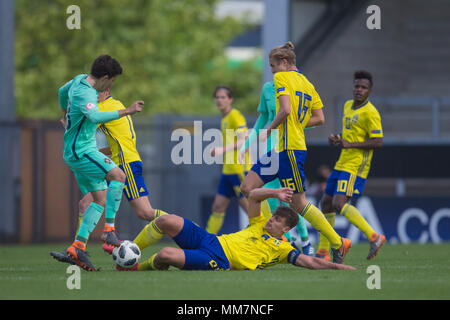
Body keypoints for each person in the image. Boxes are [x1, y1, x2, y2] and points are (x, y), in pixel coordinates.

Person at [239, 42, 351, 264]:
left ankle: (338, 242)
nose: (271, 71)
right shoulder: (308, 85)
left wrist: (271, 129)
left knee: (298, 204)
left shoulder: (281, 78)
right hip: (281, 149)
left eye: (272, 66)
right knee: (247, 187)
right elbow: (320, 118)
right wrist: (296, 124)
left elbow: (286, 110)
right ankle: (261, 236)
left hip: (290, 149)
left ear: (284, 62)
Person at [121, 187, 355, 271]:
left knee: (164, 255)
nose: (270, 220)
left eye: (276, 220)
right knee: (167, 220)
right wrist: (275, 193)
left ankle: (137, 267)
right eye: (272, 216)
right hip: (212, 240)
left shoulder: (282, 250)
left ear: (285, 230)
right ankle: (132, 249)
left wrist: (339, 266)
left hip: (218, 259)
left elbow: (311, 262)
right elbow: (251, 195)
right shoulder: (258, 223)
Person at [51, 86, 159, 265]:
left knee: (145, 212)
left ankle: (179, 226)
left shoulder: (104, 108)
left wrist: (69, 123)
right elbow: (115, 142)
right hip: (115, 162)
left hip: (125, 164)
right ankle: (77, 249)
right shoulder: (115, 104)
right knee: (86, 203)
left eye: (96, 92)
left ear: (106, 90)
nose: (92, 96)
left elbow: (83, 129)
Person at [56, 55, 143, 271]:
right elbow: (94, 117)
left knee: (100, 199)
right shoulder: (86, 91)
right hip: (81, 151)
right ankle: (109, 230)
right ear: (105, 77)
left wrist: (65, 115)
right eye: (111, 81)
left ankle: (78, 246)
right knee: (118, 176)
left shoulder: (78, 80)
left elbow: (61, 92)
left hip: (79, 150)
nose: (111, 86)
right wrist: (127, 111)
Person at [316, 70, 385, 261]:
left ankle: (374, 237)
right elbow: (350, 135)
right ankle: (323, 252)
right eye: (357, 86)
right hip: (342, 162)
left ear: (369, 91)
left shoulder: (370, 112)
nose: (359, 90)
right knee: (326, 204)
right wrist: (337, 138)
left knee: (339, 203)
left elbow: (378, 141)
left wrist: (351, 144)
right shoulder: (347, 106)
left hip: (356, 165)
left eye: (363, 87)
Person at [239, 80, 314, 256]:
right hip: (270, 152)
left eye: (276, 64)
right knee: (271, 197)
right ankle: (288, 240)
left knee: (293, 199)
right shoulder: (267, 88)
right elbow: (263, 118)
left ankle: (306, 241)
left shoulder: (297, 84)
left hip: (289, 149)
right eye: (272, 65)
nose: (274, 69)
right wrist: (247, 144)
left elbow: (309, 118)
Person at [205, 86, 250, 235]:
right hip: (228, 171)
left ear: (230, 99)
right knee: (218, 207)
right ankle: (206, 241)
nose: (219, 100)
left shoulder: (235, 115)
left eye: (223, 97)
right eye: (217, 97)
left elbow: (244, 140)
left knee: (251, 210)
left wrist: (221, 149)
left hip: (239, 170)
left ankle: (272, 240)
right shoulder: (224, 118)